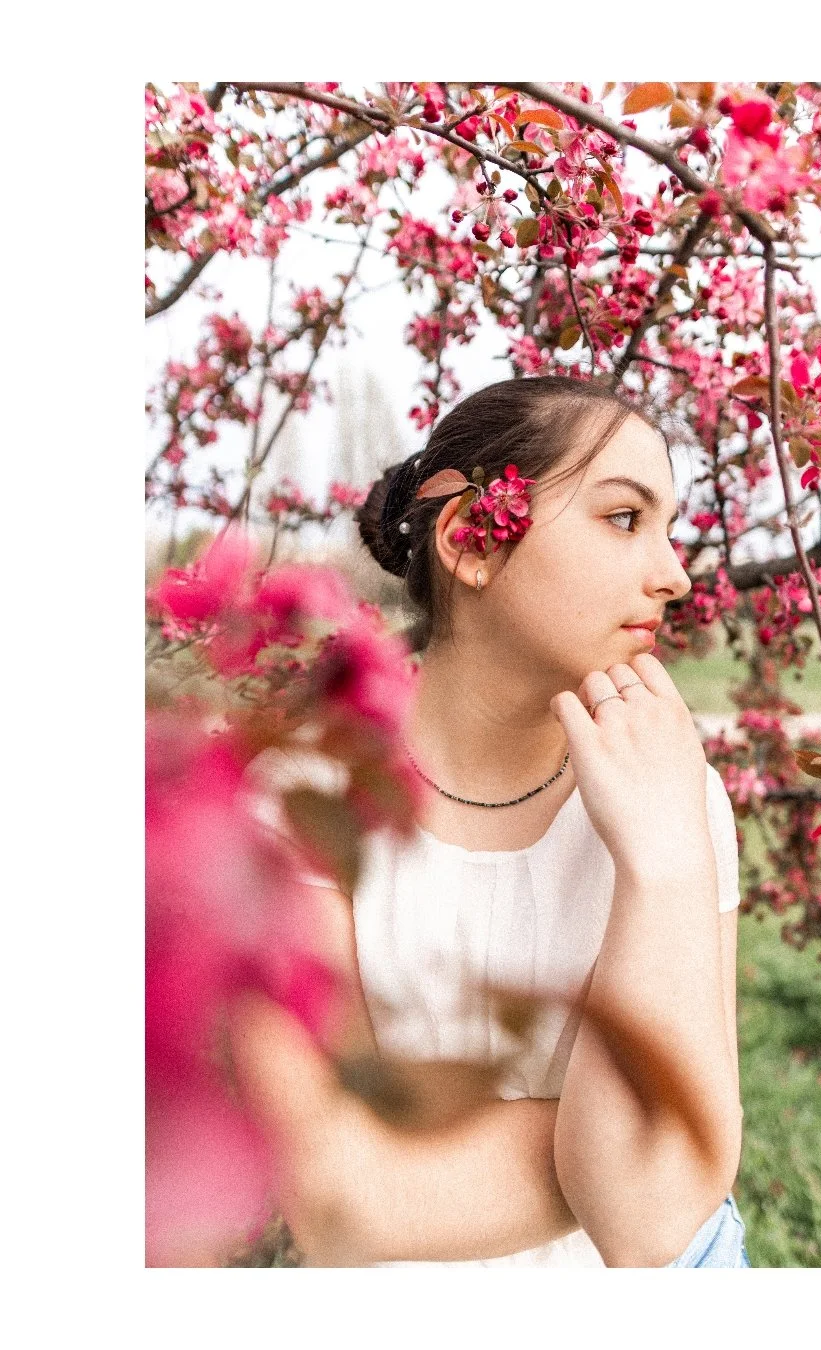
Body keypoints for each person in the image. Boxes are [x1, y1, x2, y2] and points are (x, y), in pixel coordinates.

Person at [232, 375, 750, 1267]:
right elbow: (343, 1197)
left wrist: (665, 858)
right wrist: (618, 1151)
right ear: (473, 540)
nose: (675, 575)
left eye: (668, 528)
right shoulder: (301, 802)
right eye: (625, 518)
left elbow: (658, 1221)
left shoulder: (672, 791)